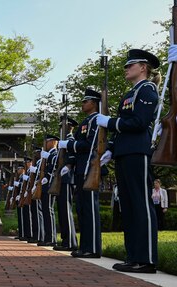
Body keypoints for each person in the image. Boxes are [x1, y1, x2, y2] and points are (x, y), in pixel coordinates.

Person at [97, 49, 160, 274]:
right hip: (124, 152)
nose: (126, 68)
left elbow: (139, 122)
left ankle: (146, 258)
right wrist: (111, 149)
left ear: (143, 67)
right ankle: (133, 256)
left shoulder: (147, 89)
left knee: (140, 204)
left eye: (130, 65)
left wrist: (110, 122)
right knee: (129, 206)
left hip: (138, 152)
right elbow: (124, 126)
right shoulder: (130, 93)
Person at [59, 89, 102, 258]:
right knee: (83, 210)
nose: (82, 104)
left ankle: (92, 248)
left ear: (94, 102)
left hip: (90, 167)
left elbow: (89, 145)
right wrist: (70, 164)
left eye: (85, 101)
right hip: (81, 169)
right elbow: (78, 144)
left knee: (90, 209)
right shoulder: (86, 121)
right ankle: (85, 246)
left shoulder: (97, 120)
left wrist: (69, 145)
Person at [54, 117, 78, 251]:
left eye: (62, 126)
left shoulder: (70, 140)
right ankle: (65, 240)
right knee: (62, 210)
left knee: (66, 210)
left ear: (69, 127)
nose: (60, 128)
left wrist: (68, 166)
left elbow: (72, 156)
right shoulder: (63, 142)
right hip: (61, 179)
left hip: (67, 179)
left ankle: (70, 241)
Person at [37, 135, 59, 247]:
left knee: (49, 211)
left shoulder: (54, 153)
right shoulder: (48, 154)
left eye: (46, 142)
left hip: (51, 185)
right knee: (46, 211)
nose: (44, 144)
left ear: (53, 142)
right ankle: (47, 237)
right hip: (45, 185)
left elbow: (57, 163)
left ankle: (51, 238)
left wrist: (48, 157)